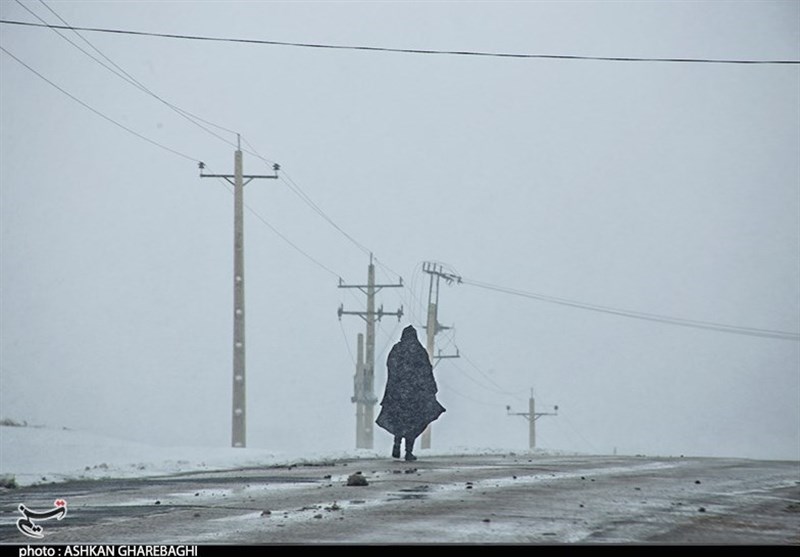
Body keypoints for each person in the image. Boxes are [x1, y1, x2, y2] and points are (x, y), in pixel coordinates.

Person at [376, 325, 446, 461]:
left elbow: (390, 366)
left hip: (397, 394)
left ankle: (397, 444)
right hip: (415, 396)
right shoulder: (419, 351)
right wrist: (431, 388)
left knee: (398, 421)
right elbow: (427, 371)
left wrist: (397, 385)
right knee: (412, 424)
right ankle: (408, 452)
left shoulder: (397, 349)